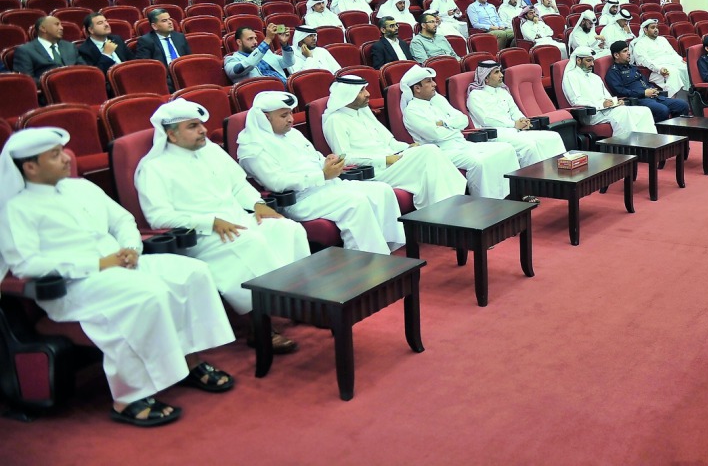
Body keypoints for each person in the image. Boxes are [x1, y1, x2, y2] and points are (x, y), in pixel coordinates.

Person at [0, 127, 236, 428]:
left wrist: (130, 248)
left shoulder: (81, 187)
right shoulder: (16, 209)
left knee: (193, 272)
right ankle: (128, 397)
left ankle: (191, 362)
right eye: (55, 156)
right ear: (30, 167)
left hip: (122, 264)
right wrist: (97, 264)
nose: (66, 160)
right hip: (75, 285)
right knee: (147, 292)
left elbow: (123, 219)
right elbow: (26, 264)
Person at [135, 99, 308, 353]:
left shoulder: (211, 150)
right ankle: (259, 325)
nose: (203, 130)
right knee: (252, 243)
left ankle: (301, 302)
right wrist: (209, 222)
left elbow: (238, 185)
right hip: (202, 236)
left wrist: (258, 203)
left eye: (201, 125)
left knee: (289, 229)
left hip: (239, 220)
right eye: (192, 126)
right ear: (171, 135)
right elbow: (158, 217)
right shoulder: (153, 168)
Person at [237, 91, 405, 254]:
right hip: (299, 199)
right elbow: (277, 183)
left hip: (327, 186)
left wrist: (327, 162)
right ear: (265, 118)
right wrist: (322, 175)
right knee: (356, 201)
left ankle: (389, 248)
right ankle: (367, 262)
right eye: (284, 116)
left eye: (290, 113)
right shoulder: (251, 148)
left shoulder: (293, 134)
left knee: (381, 190)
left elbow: (315, 158)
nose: (291, 119)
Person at [322, 76, 465, 209]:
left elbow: (390, 142)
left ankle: (444, 207)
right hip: (375, 171)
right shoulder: (335, 121)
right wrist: (384, 159)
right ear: (347, 95)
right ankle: (448, 208)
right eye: (361, 91)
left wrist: (408, 146)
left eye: (365, 89)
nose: (367, 94)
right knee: (429, 152)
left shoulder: (364, 112)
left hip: (392, 162)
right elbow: (345, 159)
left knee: (429, 149)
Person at [400, 67, 521, 199]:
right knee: (478, 162)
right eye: (429, 82)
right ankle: (487, 203)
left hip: (462, 144)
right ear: (417, 88)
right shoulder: (412, 111)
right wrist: (454, 127)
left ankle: (514, 195)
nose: (434, 84)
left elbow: (463, 120)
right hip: (443, 151)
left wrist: (444, 124)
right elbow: (436, 135)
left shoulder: (437, 100)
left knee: (506, 148)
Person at [465, 61, 567, 166]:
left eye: (500, 71)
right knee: (529, 146)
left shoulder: (503, 91)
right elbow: (485, 119)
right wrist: (514, 124)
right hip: (495, 134)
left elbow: (514, 110)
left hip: (515, 131)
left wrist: (522, 120)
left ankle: (560, 171)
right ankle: (535, 179)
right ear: (485, 78)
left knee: (553, 137)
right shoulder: (475, 96)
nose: (501, 75)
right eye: (496, 72)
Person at [560, 46, 656, 136]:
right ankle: (626, 148)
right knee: (622, 112)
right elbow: (576, 101)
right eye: (588, 61)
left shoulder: (595, 77)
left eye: (592, 61)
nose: (592, 64)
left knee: (644, 111)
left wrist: (616, 102)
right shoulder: (571, 76)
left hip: (607, 110)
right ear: (578, 60)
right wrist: (601, 104)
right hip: (591, 114)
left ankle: (649, 146)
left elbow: (607, 96)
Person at [605, 40, 689, 122]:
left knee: (682, 105)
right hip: (637, 100)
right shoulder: (613, 72)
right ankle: (659, 134)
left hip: (652, 97)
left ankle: (678, 132)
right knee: (662, 110)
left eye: (628, 50)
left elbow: (645, 82)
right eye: (625, 51)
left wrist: (652, 89)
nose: (629, 53)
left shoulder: (632, 67)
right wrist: (644, 93)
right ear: (616, 55)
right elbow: (620, 92)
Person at [134, 8, 191, 88]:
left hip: (185, 73)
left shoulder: (180, 37)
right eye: (164, 21)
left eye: (169, 19)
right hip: (165, 79)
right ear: (154, 26)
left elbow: (189, 58)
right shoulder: (146, 41)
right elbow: (145, 67)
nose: (170, 22)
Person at [633, 19, 690, 97]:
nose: (656, 30)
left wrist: (680, 60)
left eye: (656, 27)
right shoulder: (640, 44)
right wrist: (659, 69)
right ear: (645, 30)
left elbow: (673, 53)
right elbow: (644, 61)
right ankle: (672, 101)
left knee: (686, 68)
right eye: (653, 28)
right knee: (672, 72)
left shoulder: (663, 39)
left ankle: (687, 101)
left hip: (671, 64)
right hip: (654, 71)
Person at [13, 15, 82, 79]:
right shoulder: (25, 51)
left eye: (61, 25)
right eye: (57, 24)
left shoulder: (70, 46)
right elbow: (27, 80)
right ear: (43, 28)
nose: (61, 28)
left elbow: (83, 68)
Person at [225, 24, 294, 84]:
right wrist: (268, 39)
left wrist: (284, 44)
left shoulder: (266, 53)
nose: (255, 42)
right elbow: (247, 65)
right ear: (239, 42)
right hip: (266, 93)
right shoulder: (231, 59)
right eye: (250, 39)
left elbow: (288, 62)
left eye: (255, 38)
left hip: (285, 87)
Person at [78, 12, 134, 78]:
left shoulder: (117, 39)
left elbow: (132, 60)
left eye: (106, 21)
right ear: (91, 30)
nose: (106, 24)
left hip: (129, 77)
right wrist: (106, 55)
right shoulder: (84, 50)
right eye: (100, 23)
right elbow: (94, 76)